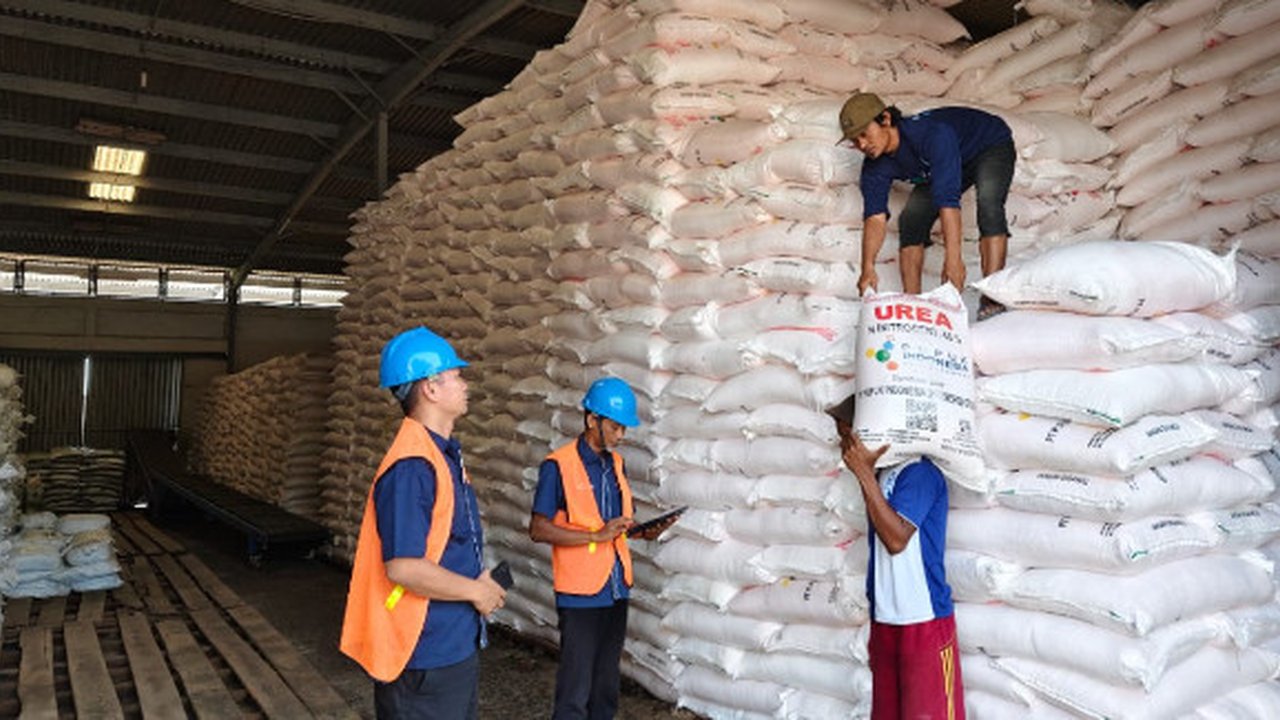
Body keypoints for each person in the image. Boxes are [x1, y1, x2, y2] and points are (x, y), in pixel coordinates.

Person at [340, 326, 506, 720]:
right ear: (431, 388)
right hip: (420, 654)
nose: (464, 384)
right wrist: (475, 592)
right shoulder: (412, 467)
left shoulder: (441, 456)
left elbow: (447, 543)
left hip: (451, 645)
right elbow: (404, 566)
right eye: (455, 375)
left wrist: (480, 580)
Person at [528, 377, 676, 720]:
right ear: (591, 419)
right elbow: (538, 528)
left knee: (606, 686)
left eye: (624, 428)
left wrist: (643, 532)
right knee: (575, 689)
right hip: (580, 593)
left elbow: (618, 525)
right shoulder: (558, 466)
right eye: (614, 427)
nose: (620, 436)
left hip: (615, 587)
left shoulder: (617, 465)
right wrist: (595, 536)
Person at [833, 402, 965, 720]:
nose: (843, 443)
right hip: (887, 623)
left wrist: (864, 475)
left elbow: (895, 540)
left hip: (924, 622)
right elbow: (879, 553)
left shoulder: (920, 473)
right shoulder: (880, 478)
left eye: (847, 433)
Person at [839, 92, 1015, 315]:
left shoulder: (931, 135)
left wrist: (953, 260)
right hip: (946, 161)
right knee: (911, 220)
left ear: (885, 119)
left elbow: (948, 201)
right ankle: (914, 307)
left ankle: (992, 299)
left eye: (865, 133)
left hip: (988, 145)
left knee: (989, 205)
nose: (862, 144)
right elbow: (875, 217)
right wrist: (867, 268)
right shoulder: (875, 166)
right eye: (855, 140)